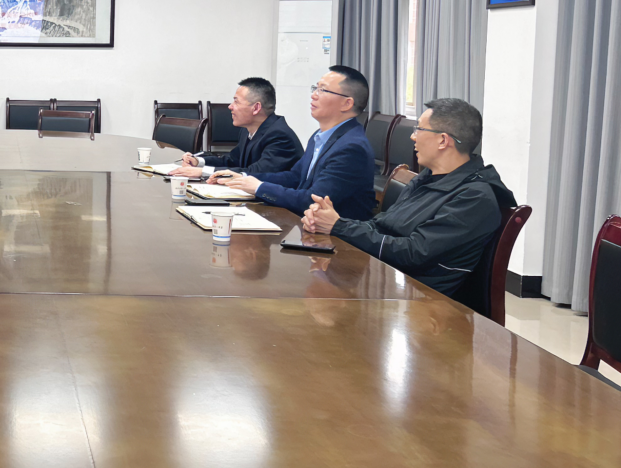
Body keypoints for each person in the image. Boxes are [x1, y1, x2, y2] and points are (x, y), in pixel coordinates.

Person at [302, 98, 515, 297]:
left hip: (422, 300)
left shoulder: (474, 198)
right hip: (389, 279)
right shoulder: (428, 177)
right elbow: (381, 225)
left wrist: (339, 226)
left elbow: (414, 253)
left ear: (443, 140)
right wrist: (329, 222)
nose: (413, 137)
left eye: (419, 129)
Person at [217, 65, 376, 219]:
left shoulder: (352, 147)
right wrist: (243, 178)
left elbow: (313, 200)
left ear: (347, 103)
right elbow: (295, 177)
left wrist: (259, 187)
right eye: (315, 88)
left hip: (334, 235)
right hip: (306, 223)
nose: (314, 95)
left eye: (323, 90)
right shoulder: (320, 136)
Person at [169, 77, 303, 179]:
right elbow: (233, 160)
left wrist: (202, 172)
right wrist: (198, 162)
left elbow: (255, 173)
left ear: (256, 108)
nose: (230, 106)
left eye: (236, 101)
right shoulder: (247, 129)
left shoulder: (279, 136)